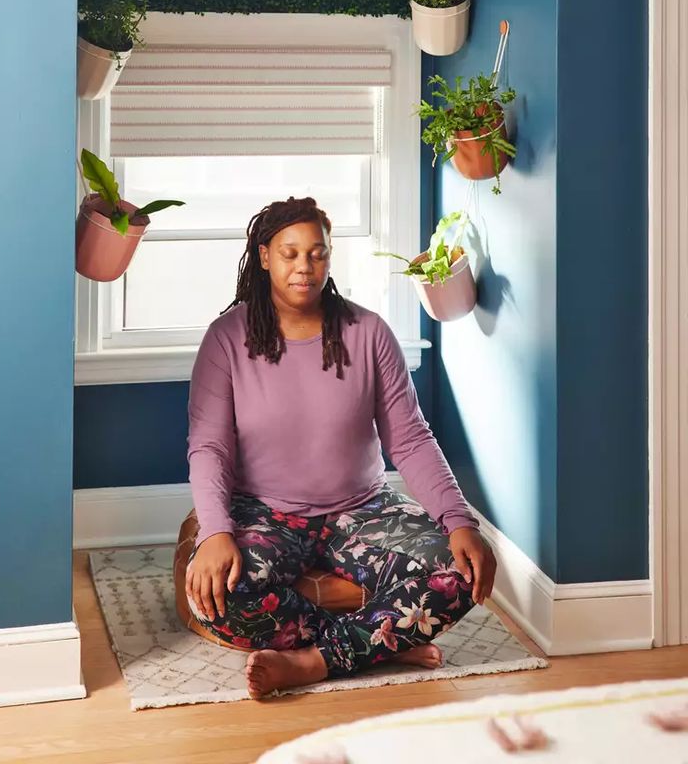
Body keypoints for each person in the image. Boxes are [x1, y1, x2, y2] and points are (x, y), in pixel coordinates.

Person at [185, 195, 496, 700]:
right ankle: (384, 642)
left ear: (329, 257)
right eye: (289, 254)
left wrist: (457, 519)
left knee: (460, 573)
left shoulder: (369, 333)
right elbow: (209, 447)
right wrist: (217, 531)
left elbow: (411, 438)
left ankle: (313, 661)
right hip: (266, 512)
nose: (304, 267)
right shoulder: (227, 338)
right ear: (264, 256)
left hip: (362, 510)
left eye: (317, 253)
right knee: (218, 597)